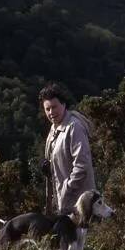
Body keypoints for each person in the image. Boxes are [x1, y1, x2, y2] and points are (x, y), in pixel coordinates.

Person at [39, 84, 96, 216]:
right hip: (65, 204)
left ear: (64, 104)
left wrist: (67, 189)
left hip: (81, 204)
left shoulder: (74, 127)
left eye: (54, 107)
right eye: (47, 109)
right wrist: (49, 168)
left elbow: (82, 165)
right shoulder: (54, 128)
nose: (51, 112)